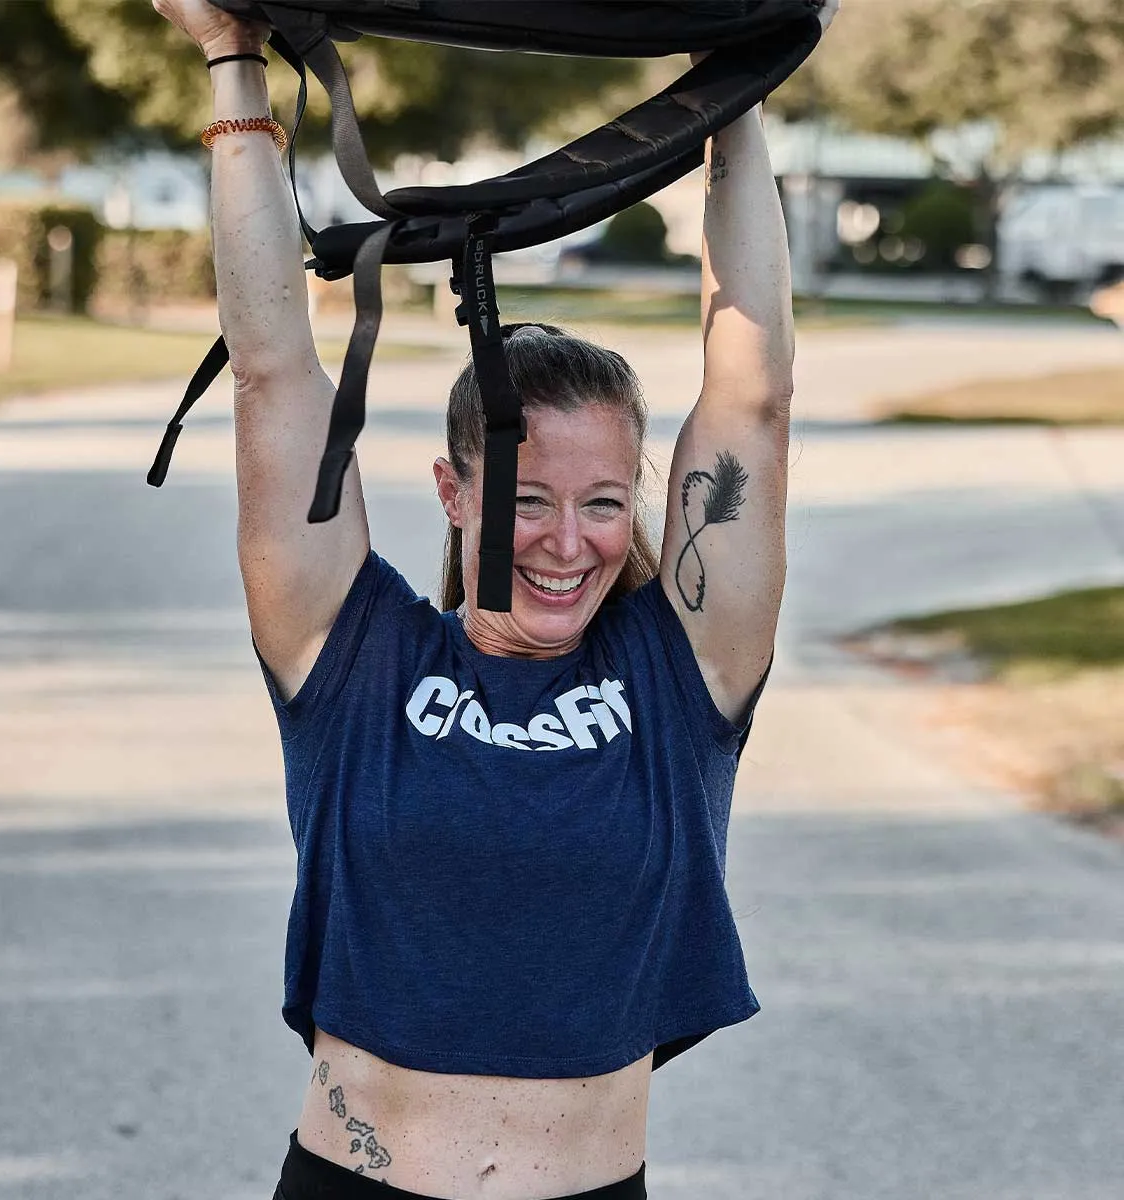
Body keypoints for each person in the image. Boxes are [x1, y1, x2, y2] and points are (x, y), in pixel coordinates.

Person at [154, 3, 838, 1198]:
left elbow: (753, 394)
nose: (567, 543)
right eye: (528, 497)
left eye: (605, 502)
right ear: (454, 490)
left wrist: (732, 73)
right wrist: (232, 54)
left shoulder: (675, 680)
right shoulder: (351, 653)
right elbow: (273, 366)